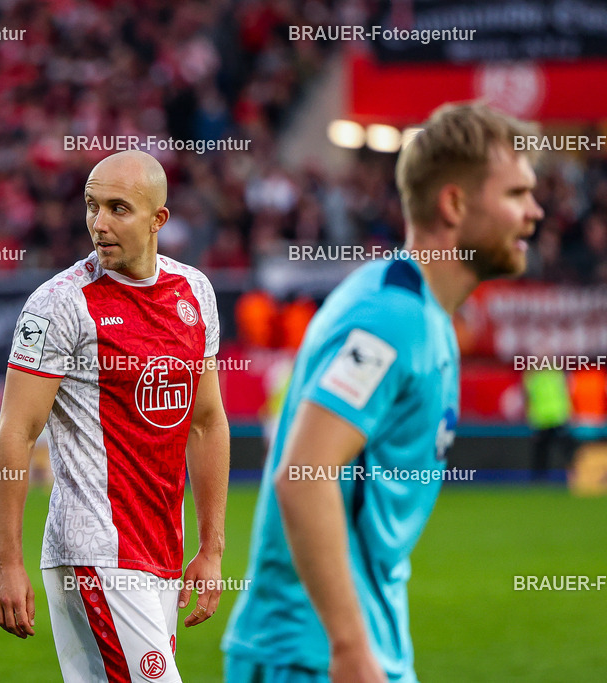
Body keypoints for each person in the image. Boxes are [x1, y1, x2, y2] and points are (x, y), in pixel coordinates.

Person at [223, 102, 544, 683]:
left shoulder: (412, 308)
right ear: (454, 203)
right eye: (518, 194)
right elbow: (303, 474)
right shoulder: (393, 318)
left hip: (351, 648)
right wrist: (349, 648)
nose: (535, 212)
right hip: (314, 655)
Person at [0, 150, 230, 682]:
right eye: (92, 207)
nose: (99, 224)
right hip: (93, 549)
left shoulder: (196, 292)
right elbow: (16, 432)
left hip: (161, 548)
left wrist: (210, 547)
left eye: (118, 209)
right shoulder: (59, 304)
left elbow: (208, 422)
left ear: (158, 219)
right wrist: (8, 561)